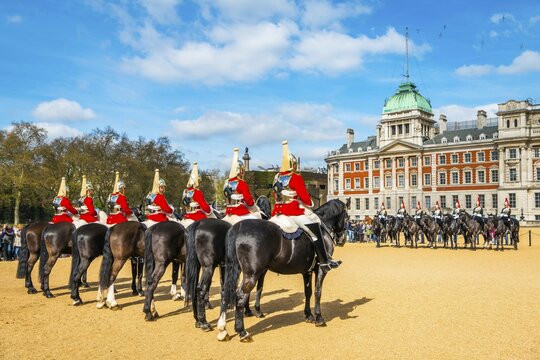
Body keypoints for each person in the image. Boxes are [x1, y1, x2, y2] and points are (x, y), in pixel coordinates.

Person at [272, 140, 340, 273]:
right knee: (314, 229)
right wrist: (309, 203)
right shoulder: (295, 177)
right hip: (292, 212)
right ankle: (324, 260)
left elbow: (276, 196)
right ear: (293, 164)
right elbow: (305, 199)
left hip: (277, 212)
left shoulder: (277, 178)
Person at [223, 148, 261, 224]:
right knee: (258, 221)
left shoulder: (226, 183)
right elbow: (249, 201)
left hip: (228, 212)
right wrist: (254, 206)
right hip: (239, 211)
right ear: (240, 171)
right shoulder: (241, 183)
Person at [181, 162, 213, 228]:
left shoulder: (185, 192)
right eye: (199, 182)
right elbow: (205, 208)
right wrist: (210, 209)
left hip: (187, 216)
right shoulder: (197, 192)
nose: (200, 184)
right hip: (197, 216)